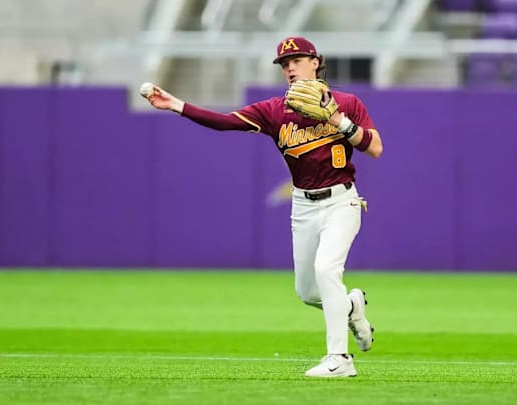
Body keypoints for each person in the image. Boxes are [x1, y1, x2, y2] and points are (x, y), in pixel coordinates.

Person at [144, 36, 383, 378]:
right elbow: (225, 121)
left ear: (315, 62)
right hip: (303, 207)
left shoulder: (345, 102)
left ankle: (339, 359)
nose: (289, 68)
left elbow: (375, 148)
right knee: (307, 292)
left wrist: (338, 122)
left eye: (296, 61)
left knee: (327, 270)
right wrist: (177, 105)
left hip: (342, 201)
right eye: (284, 64)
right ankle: (352, 306)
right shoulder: (274, 110)